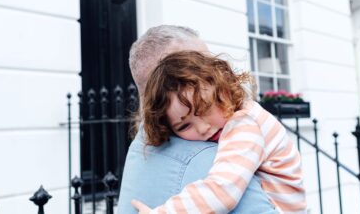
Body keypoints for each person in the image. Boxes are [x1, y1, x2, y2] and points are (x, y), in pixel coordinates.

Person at [117, 25, 279, 214]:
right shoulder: (211, 158)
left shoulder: (141, 152)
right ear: (164, 82)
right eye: (198, 66)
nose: (216, 75)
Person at [131, 50, 307, 213]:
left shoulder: (245, 124)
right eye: (184, 126)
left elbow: (222, 191)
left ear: (224, 90)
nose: (203, 129)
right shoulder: (235, 116)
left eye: (206, 109)